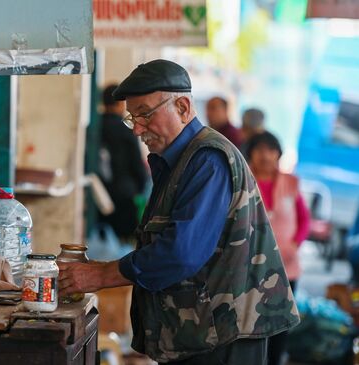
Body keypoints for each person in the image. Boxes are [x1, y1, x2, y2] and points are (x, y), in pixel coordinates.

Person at [59, 59, 299, 365]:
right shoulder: (176, 161)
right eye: (132, 119)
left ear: (183, 107)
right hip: (201, 332)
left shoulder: (208, 160)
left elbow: (180, 252)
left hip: (224, 336)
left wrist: (102, 275)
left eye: (145, 114)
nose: (138, 130)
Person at [246, 131, 310, 365]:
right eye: (259, 149)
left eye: (271, 150)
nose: (265, 155)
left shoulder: (291, 182)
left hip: (287, 267)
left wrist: (295, 243)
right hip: (251, 268)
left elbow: (304, 218)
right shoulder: (243, 180)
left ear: (279, 154)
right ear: (250, 153)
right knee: (252, 324)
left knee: (281, 324)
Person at [97, 84, 148, 242]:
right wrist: (140, 186)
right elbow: (136, 164)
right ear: (121, 104)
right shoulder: (126, 130)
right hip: (125, 195)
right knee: (125, 243)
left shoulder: (95, 127)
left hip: (99, 194)